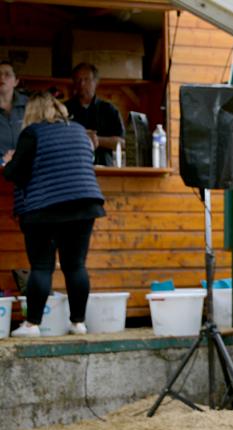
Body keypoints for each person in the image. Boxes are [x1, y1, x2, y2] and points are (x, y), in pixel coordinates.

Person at [2, 92, 105, 338]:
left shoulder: (33, 133)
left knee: (41, 266)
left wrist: (10, 160)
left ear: (32, 113)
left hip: (44, 209)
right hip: (84, 205)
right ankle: (78, 323)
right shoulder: (80, 130)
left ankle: (33, 325)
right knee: (75, 265)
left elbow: (14, 173)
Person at [65, 62, 124, 166]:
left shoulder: (108, 109)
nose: (81, 84)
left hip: (105, 169)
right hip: (73, 168)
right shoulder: (64, 109)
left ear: (95, 82)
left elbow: (122, 143)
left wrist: (96, 140)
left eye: (86, 79)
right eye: (78, 80)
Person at [0, 60, 27, 165]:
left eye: (7, 74)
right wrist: (2, 161)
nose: (2, 77)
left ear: (16, 81)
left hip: (27, 169)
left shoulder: (30, 105)